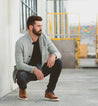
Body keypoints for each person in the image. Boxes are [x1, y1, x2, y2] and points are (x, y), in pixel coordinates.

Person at [13, 15, 62, 101]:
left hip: (42, 69)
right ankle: (22, 89)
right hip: (27, 71)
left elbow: (57, 52)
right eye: (38, 26)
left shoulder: (44, 37)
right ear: (31, 27)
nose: (41, 28)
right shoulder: (20, 42)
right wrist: (34, 69)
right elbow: (19, 64)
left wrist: (53, 56)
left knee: (58, 62)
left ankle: (49, 92)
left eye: (41, 26)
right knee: (20, 75)